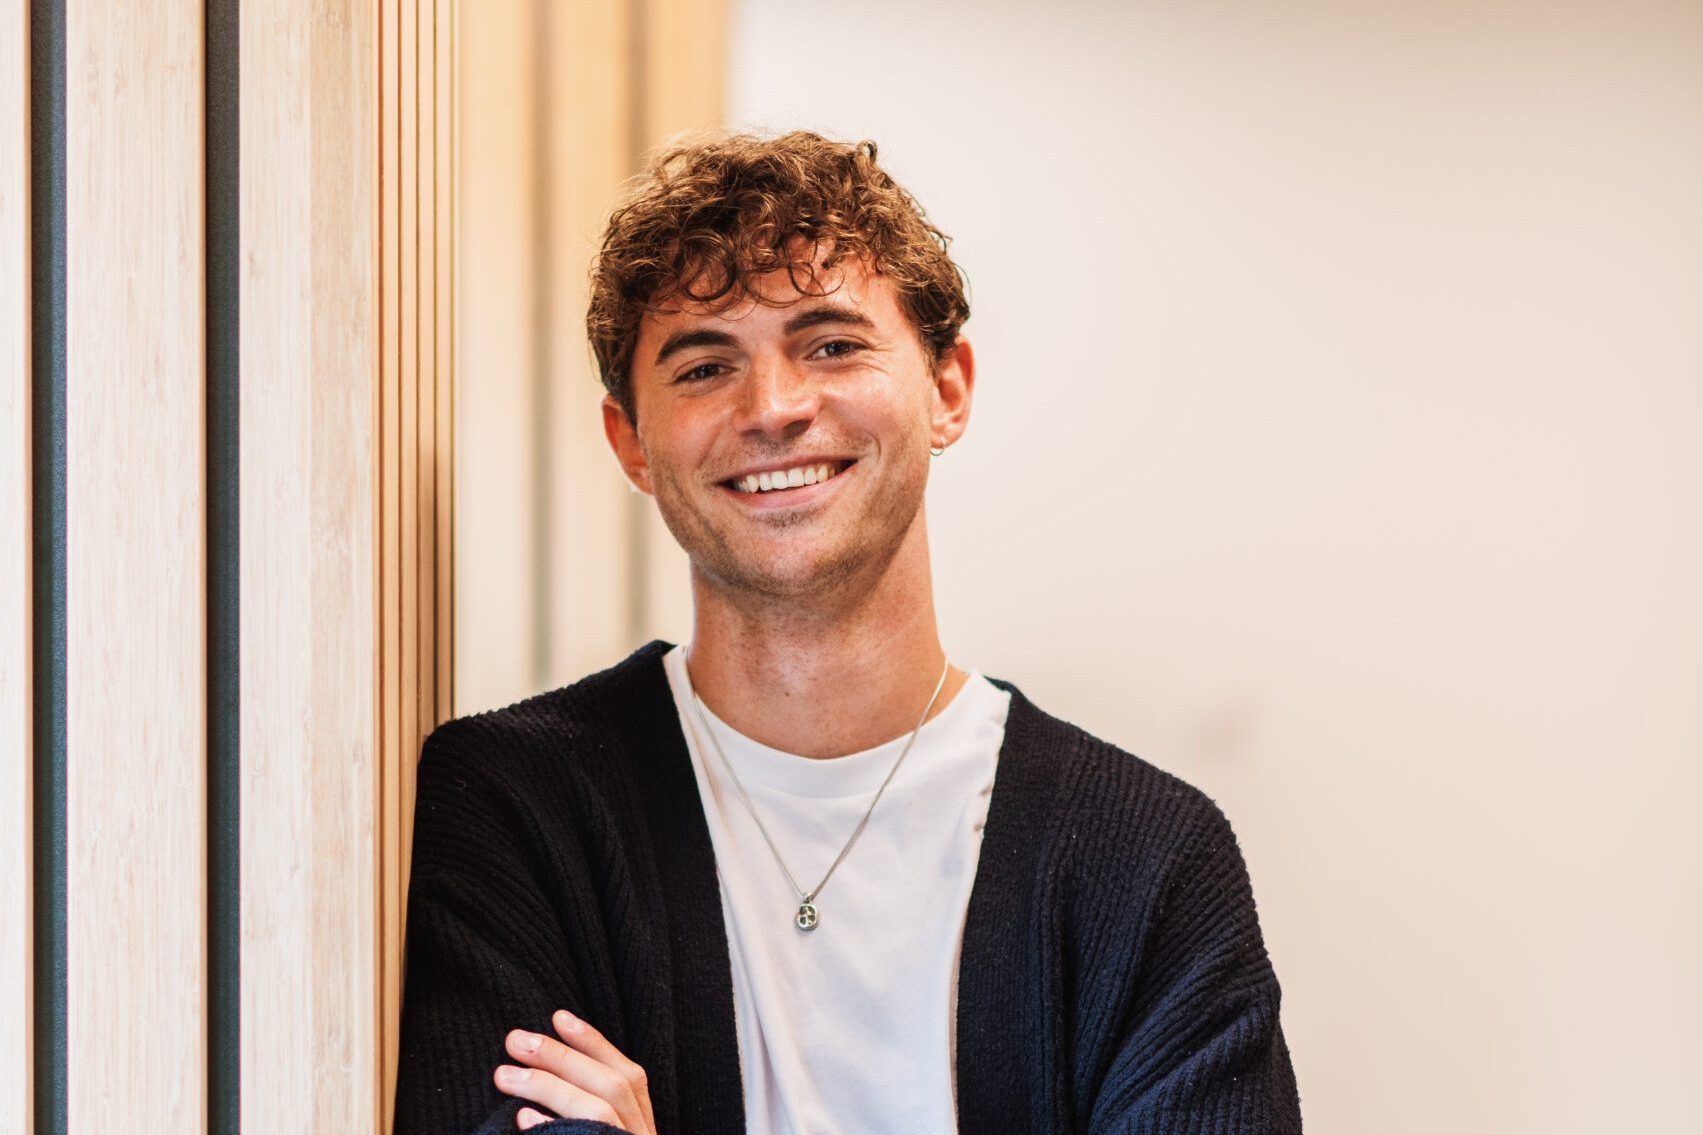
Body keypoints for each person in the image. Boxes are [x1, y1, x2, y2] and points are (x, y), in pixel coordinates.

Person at [394, 131, 1302, 1135]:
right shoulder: (516, 807)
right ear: (631, 442)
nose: (774, 408)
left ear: (946, 389)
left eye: (830, 343)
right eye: (702, 367)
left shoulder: (1147, 860)